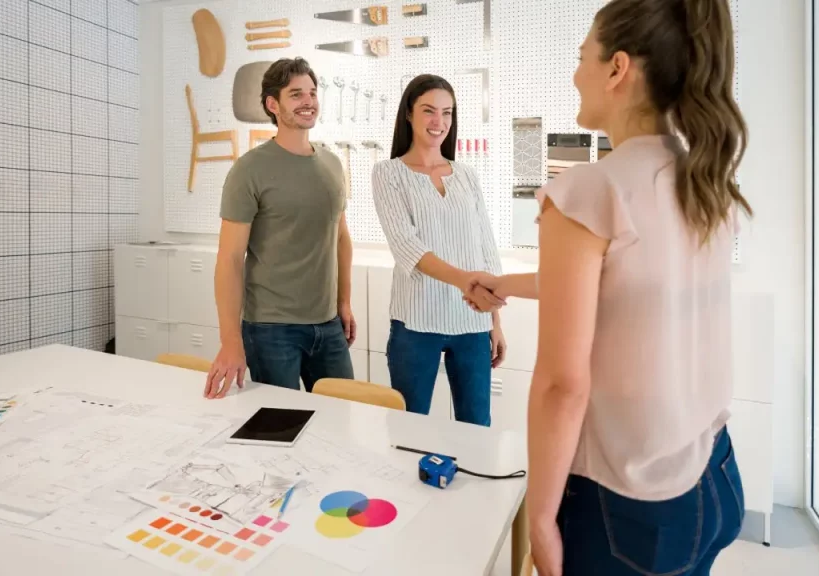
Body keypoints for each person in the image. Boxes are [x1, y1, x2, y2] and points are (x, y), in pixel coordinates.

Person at [468, 1, 751, 574]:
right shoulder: (703, 179)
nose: (575, 74)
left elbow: (561, 386)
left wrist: (541, 519)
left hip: (629, 508)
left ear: (617, 68)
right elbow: (623, 288)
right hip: (715, 475)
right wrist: (502, 283)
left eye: (581, 59)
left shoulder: (589, 192)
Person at [204, 57, 356, 399]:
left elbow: (341, 239)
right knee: (278, 427)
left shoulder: (331, 163)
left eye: (313, 93)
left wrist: (343, 302)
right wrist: (231, 342)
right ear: (273, 105)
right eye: (296, 94)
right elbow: (229, 260)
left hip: (329, 326)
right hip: (271, 329)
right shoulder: (249, 171)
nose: (309, 102)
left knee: (342, 421)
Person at [370, 74, 506, 427]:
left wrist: (494, 321)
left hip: (472, 322)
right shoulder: (388, 174)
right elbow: (407, 248)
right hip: (416, 324)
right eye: (429, 111)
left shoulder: (466, 175)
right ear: (409, 115)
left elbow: (485, 248)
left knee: (477, 428)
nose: (439, 122)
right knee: (410, 429)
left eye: (447, 113)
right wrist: (466, 281)